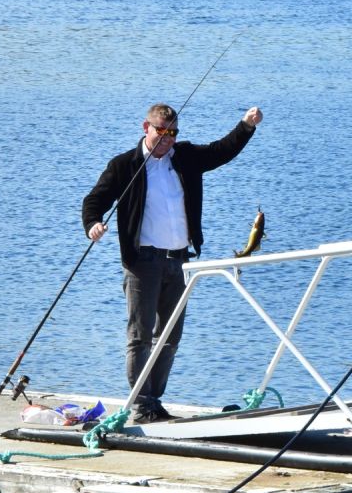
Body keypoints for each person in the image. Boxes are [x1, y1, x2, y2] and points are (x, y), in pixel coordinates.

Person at [82, 103, 263, 423]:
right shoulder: (125, 165)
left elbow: (221, 151)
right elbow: (95, 200)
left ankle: (154, 400)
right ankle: (141, 405)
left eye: (173, 133)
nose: (167, 139)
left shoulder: (185, 157)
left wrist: (246, 126)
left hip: (179, 261)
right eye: (161, 132)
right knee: (140, 336)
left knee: (170, 336)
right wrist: (93, 224)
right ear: (145, 128)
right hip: (143, 262)